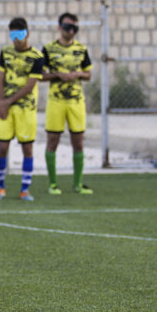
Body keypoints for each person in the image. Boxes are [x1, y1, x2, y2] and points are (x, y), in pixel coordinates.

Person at [0, 17, 44, 202]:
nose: (16, 39)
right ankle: (0, 187)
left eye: (20, 34)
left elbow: (30, 86)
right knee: (3, 146)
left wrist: (8, 101)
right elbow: (0, 79)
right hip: (7, 107)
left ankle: (25, 189)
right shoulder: (5, 53)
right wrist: (1, 102)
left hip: (26, 109)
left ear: (27, 33)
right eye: (13, 34)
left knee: (27, 148)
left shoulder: (37, 57)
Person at [41, 12, 94, 194]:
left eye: (75, 28)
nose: (71, 31)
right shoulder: (48, 49)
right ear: (59, 27)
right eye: (67, 27)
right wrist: (57, 75)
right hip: (56, 101)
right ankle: (53, 184)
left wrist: (77, 74)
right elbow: (39, 74)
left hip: (76, 102)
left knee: (78, 142)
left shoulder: (81, 49)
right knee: (53, 140)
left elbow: (88, 73)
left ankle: (77, 184)